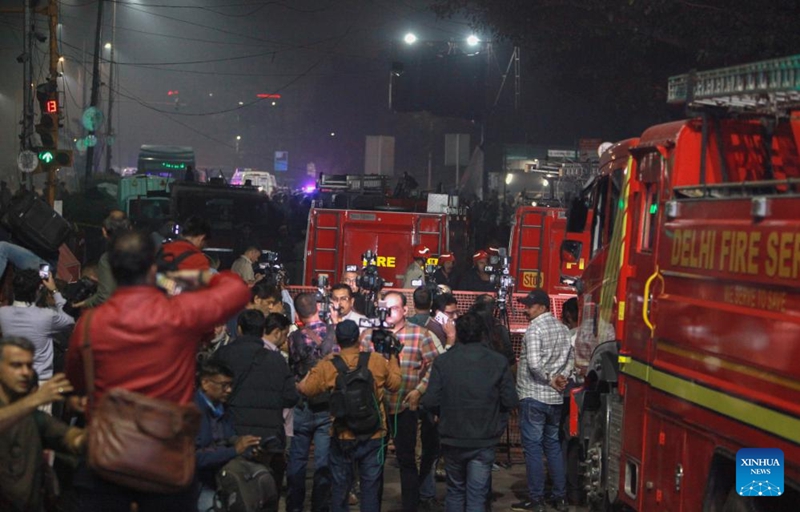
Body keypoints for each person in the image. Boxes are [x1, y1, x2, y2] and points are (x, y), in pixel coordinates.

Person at [65, 230, 250, 511]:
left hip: (107, 462)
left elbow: (76, 380)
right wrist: (176, 278)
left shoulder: (90, 324)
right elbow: (236, 288)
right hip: (167, 462)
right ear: (153, 267)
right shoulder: (180, 313)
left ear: (112, 269)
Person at [298, 320, 402, 512]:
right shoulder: (376, 361)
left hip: (342, 434)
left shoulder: (330, 365)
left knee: (340, 488)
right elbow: (395, 385)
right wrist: (394, 356)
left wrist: (321, 363)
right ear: (358, 339)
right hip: (374, 434)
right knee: (370, 488)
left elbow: (305, 388)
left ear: (338, 339)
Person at [422, 311, 518, 512]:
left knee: (455, 491)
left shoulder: (444, 361)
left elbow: (430, 400)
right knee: (477, 494)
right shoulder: (498, 362)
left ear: (459, 333)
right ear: (482, 333)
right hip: (484, 437)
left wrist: (440, 418)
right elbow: (510, 400)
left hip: (452, 436)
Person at [360, 291, 440, 512]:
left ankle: (410, 506)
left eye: (393, 308)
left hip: (405, 407)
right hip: (376, 409)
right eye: (384, 308)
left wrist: (419, 391)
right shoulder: (369, 336)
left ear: (405, 310)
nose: (388, 312)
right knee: (374, 463)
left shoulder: (420, 335)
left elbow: (436, 366)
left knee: (407, 461)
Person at [214, 310, 299, 511]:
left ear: (239, 329)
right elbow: (291, 397)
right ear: (262, 331)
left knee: (233, 488)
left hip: (232, 433)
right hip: (268, 437)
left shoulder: (222, 355)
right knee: (266, 488)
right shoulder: (277, 360)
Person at [0, 337, 86, 511]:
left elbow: (70, 437)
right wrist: (34, 400)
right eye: (16, 365)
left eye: (29, 366)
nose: (25, 372)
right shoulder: (28, 408)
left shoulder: (33, 418)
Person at [512, 289, 573, 512]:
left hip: (534, 395)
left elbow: (535, 365)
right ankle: (560, 497)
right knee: (553, 446)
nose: (526, 310)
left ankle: (536, 499)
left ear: (542, 307)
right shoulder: (563, 329)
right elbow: (570, 358)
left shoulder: (534, 330)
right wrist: (561, 379)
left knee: (534, 449)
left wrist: (550, 379)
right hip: (555, 399)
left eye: (529, 306)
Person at [286, 292, 337, 512]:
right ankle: (320, 506)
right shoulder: (333, 333)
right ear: (318, 306)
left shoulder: (293, 338)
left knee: (297, 459)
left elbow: (292, 366)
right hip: (327, 405)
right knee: (323, 462)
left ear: (298, 313)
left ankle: (294, 506)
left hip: (302, 403)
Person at [194, 360, 261, 512]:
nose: (229, 390)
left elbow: (229, 438)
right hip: (197, 485)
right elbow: (195, 458)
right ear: (205, 383)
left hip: (220, 481)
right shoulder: (193, 412)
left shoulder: (222, 409)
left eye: (231, 385)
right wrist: (234, 450)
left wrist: (247, 448)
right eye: (224, 385)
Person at [75, 210, 131, 309]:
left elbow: (105, 296)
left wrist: (84, 303)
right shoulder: (143, 252)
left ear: (104, 232)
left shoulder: (108, 259)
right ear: (130, 229)